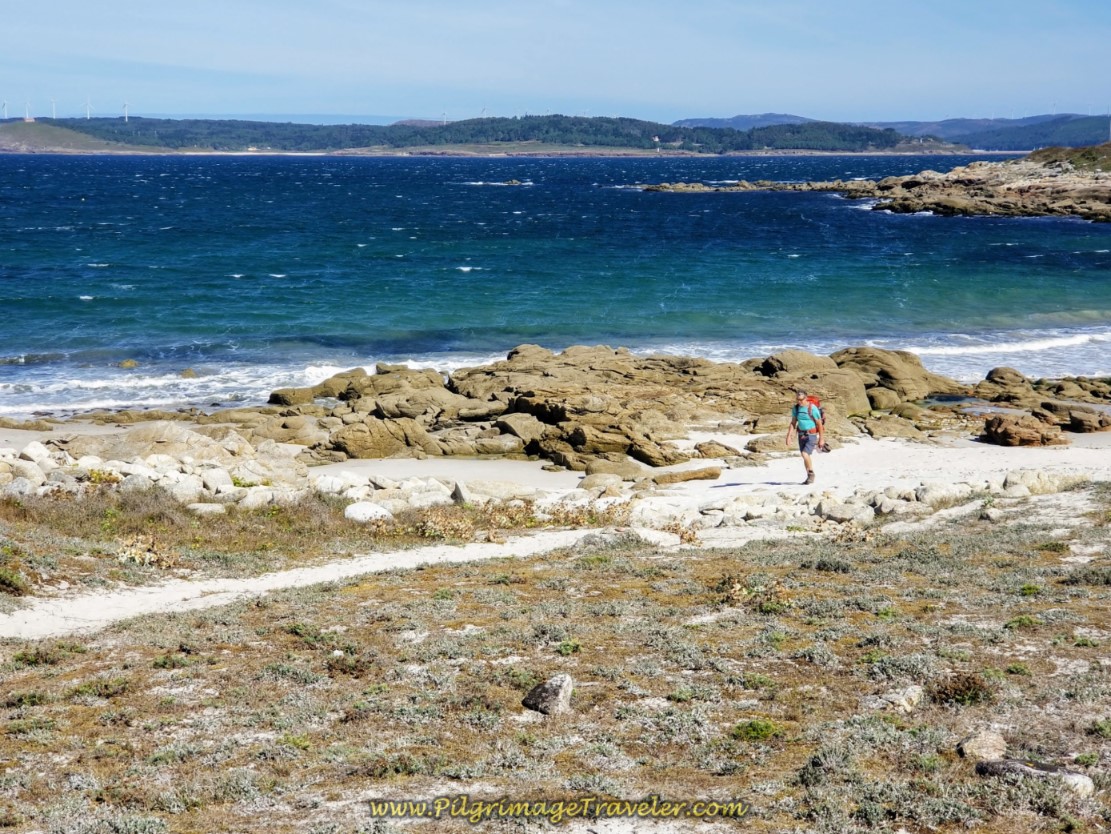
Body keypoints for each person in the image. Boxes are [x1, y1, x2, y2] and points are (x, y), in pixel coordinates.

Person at [786, 390, 824, 485]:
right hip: (801, 435)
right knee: (805, 456)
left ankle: (811, 474)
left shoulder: (812, 408)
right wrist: (789, 436)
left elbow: (819, 424)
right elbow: (793, 422)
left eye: (801, 399)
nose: (799, 401)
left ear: (806, 398)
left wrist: (821, 439)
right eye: (797, 399)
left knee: (804, 454)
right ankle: (809, 478)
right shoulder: (796, 408)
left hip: (811, 434)